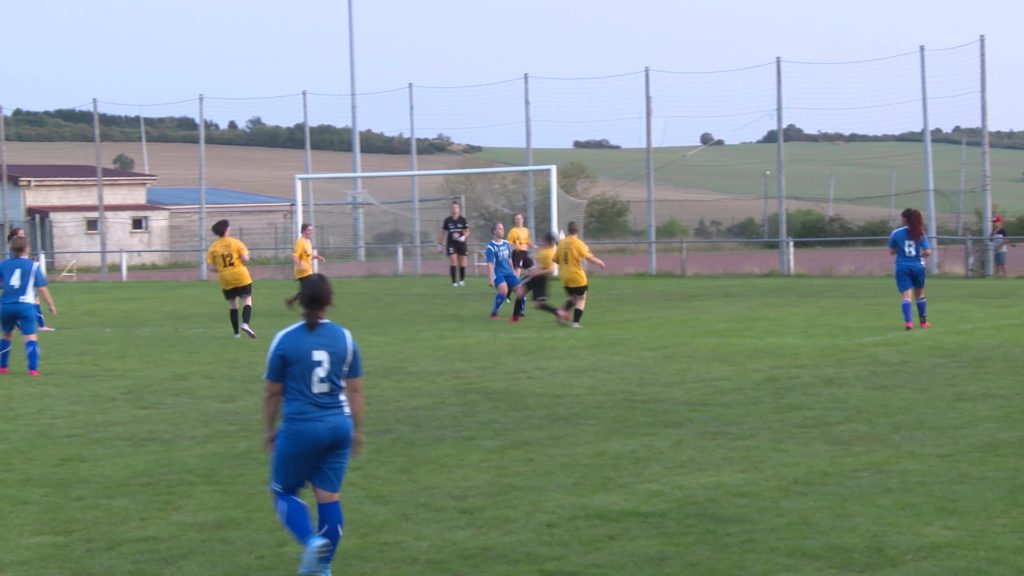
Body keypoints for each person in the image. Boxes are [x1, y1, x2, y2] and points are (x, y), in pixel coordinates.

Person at [263, 273, 364, 576]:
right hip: (339, 427)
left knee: (283, 492)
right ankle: (322, 569)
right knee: (329, 498)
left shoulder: (285, 339)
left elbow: (273, 392)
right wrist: (358, 430)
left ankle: (310, 542)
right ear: (329, 301)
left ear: (300, 299)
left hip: (300, 428)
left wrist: (269, 430)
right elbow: (355, 390)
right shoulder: (345, 338)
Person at [0, 236, 57, 376]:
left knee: (7, 335)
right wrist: (51, 305)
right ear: (26, 248)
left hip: (6, 305)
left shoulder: (3, 264)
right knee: (30, 337)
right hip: (25, 306)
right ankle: (33, 370)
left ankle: (3, 367)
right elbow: (42, 288)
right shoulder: (33, 265)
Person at [207, 219, 257, 338]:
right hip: (240, 275)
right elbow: (245, 259)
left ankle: (236, 334)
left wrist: (222, 270)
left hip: (226, 278)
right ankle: (245, 323)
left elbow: (210, 267)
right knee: (247, 299)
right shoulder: (236, 242)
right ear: (226, 230)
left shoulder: (213, 247)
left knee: (233, 305)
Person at [554, 221, 605, 328]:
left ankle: (562, 312)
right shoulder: (579, 243)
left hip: (564, 277)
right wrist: (599, 262)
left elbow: (555, 260)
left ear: (568, 230)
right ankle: (575, 323)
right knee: (581, 298)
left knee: (573, 298)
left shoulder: (561, 243)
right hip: (576, 276)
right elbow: (589, 257)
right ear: (577, 230)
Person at [888, 208, 932, 330]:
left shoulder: (896, 233)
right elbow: (928, 251)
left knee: (907, 296)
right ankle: (923, 322)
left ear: (905, 219)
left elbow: (891, 252)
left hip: (902, 266)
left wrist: (900, 249)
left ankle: (909, 323)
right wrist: (920, 255)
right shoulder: (920, 233)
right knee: (920, 295)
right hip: (918, 266)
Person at [6, 227, 54, 332]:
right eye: (21, 234)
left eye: (23, 233)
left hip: (21, 281)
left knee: (34, 301)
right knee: (33, 301)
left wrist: (30, 260)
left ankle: (38, 325)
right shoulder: (14, 250)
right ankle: (38, 325)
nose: (23, 236)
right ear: (15, 236)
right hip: (23, 281)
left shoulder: (15, 249)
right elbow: (18, 264)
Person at [511, 232, 563, 322]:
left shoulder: (552, 252)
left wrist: (537, 272)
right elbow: (540, 261)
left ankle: (559, 312)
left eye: (544, 241)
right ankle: (514, 318)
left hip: (542, 279)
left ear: (548, 241)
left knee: (538, 304)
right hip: (535, 277)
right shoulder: (544, 249)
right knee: (520, 292)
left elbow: (551, 270)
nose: (543, 242)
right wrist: (532, 259)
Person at [485, 222, 525, 321]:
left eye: (502, 229)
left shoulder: (506, 244)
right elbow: (490, 264)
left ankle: (519, 312)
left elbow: (509, 259)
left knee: (521, 290)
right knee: (504, 291)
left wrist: (514, 273)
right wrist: (490, 279)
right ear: (494, 231)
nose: (502, 231)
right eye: (499, 229)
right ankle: (494, 313)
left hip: (509, 273)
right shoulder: (491, 247)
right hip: (498, 274)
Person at [287, 223, 326, 306]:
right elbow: (295, 257)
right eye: (309, 230)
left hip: (308, 270)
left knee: (305, 289)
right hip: (302, 272)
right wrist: (300, 266)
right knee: (312, 287)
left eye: (312, 230)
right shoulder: (300, 242)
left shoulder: (308, 241)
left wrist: (317, 257)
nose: (311, 232)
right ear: (303, 231)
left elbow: (308, 256)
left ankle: (292, 301)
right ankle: (308, 304)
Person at [438, 201, 470, 286]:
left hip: (461, 244)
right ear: (451, 209)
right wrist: (439, 245)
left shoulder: (463, 220)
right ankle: (454, 282)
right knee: (453, 262)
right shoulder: (447, 220)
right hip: (451, 244)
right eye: (453, 207)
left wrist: (464, 237)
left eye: (456, 207)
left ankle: (462, 280)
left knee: (462, 262)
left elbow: (467, 231)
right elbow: (443, 232)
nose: (454, 209)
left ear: (459, 209)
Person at [506, 213, 535, 277]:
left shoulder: (526, 230)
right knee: (517, 272)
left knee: (532, 270)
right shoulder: (513, 231)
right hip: (517, 253)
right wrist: (514, 247)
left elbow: (528, 241)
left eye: (520, 218)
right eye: (517, 219)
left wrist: (533, 246)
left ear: (522, 219)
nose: (519, 220)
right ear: (514, 221)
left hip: (525, 252)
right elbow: (509, 243)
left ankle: (524, 284)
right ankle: (514, 285)